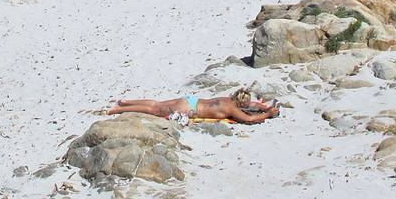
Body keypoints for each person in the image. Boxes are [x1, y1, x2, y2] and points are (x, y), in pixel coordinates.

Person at [108, 88, 280, 124]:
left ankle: (125, 101)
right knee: (153, 111)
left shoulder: (228, 100)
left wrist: (264, 107)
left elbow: (251, 104)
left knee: (156, 104)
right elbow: (249, 119)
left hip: (190, 101)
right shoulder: (232, 109)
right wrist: (267, 114)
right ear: (241, 104)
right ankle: (118, 109)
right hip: (188, 109)